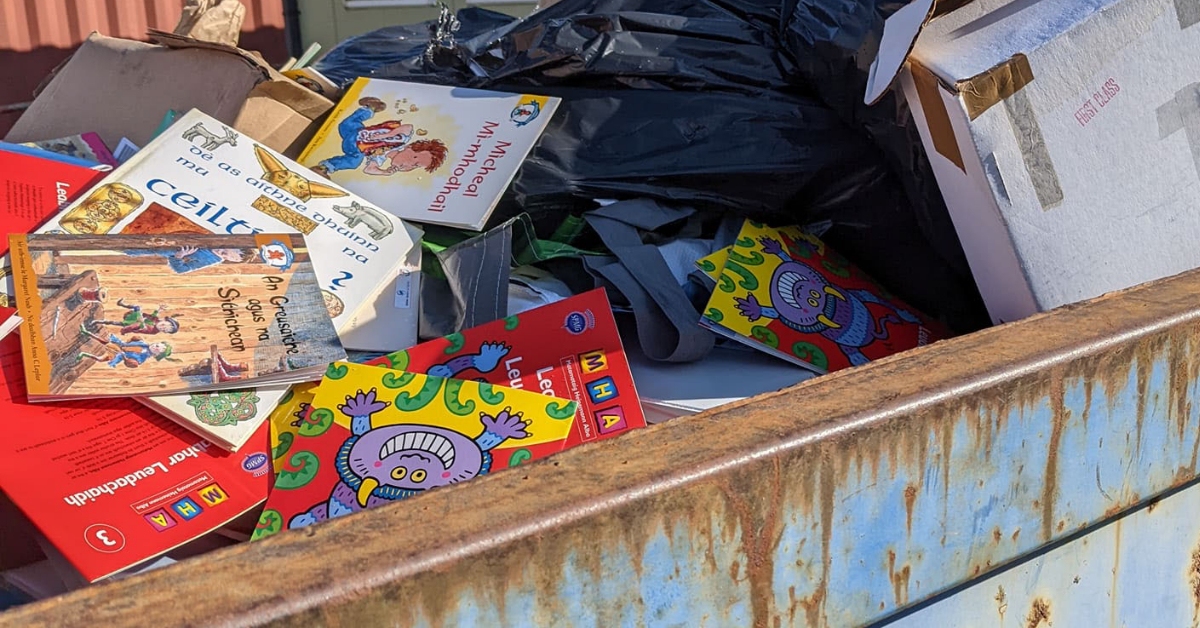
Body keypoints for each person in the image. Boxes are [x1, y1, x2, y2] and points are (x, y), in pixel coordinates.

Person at [310, 97, 448, 178]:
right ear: (411, 148)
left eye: (416, 166)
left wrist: (385, 172)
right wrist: (389, 135)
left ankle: (324, 168)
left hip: (355, 148)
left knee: (353, 162)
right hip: (360, 132)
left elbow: (369, 169)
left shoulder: (379, 158)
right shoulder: (401, 140)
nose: (410, 164)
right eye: (415, 159)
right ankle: (370, 108)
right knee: (346, 125)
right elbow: (408, 127)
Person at [76, 326, 178, 369]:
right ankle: (87, 333)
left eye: (158, 350)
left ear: (156, 355)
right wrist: (128, 341)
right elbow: (133, 340)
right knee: (105, 341)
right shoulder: (143, 343)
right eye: (157, 345)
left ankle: (85, 354)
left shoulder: (143, 357)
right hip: (121, 346)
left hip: (119, 354)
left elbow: (133, 363)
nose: (156, 347)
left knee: (101, 359)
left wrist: (125, 358)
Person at [88, 299, 179, 335]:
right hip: (136, 318)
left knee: (114, 322)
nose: (161, 327)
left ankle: (97, 322)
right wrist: (159, 310)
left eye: (164, 329)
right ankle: (121, 304)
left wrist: (142, 323)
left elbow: (143, 329)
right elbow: (153, 316)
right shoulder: (156, 321)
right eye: (163, 325)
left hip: (134, 324)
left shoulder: (154, 331)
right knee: (137, 307)